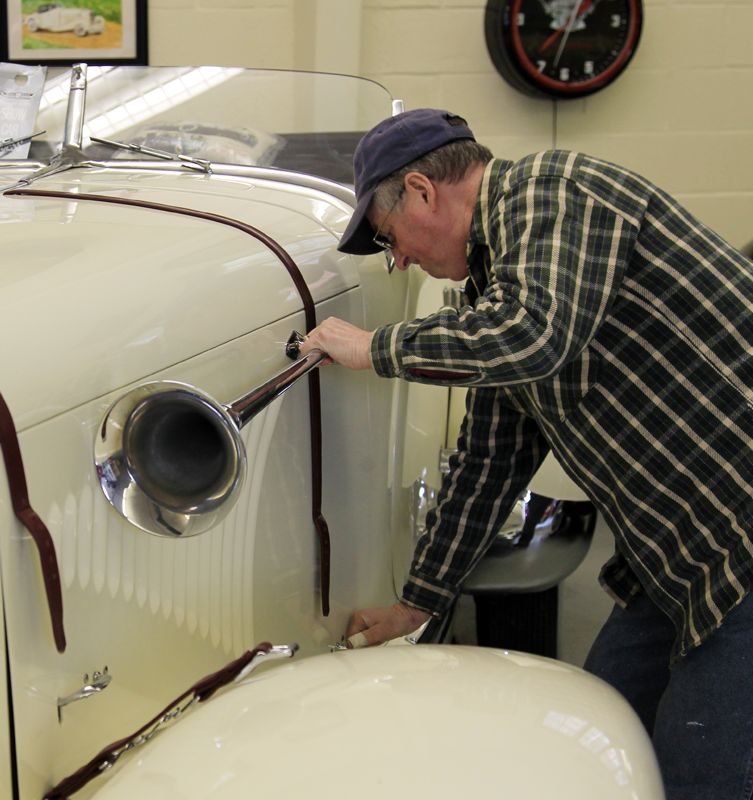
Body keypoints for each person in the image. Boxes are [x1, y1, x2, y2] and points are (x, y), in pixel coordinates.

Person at [303, 108, 753, 800]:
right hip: (679, 557)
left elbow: (535, 335)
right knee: (595, 737)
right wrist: (415, 603)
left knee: (703, 775)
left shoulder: (555, 191)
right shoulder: (495, 287)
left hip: (740, 540)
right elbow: (489, 461)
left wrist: (376, 347)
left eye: (392, 240)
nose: (401, 261)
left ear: (423, 191)